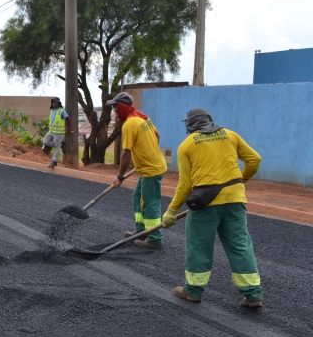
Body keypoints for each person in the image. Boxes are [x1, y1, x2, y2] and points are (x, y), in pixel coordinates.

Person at [162, 108, 263, 308]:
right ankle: (253, 295)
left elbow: (185, 185)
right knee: (240, 246)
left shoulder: (187, 145)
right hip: (235, 200)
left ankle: (193, 291)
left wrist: (171, 211)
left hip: (204, 204)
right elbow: (255, 159)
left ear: (190, 126)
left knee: (199, 246)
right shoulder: (230, 135)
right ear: (210, 121)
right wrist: (241, 180)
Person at [108, 92, 167, 249]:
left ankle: (154, 238)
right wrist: (146, 153)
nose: (114, 111)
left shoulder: (130, 124)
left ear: (121, 107)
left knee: (149, 203)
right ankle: (142, 231)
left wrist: (120, 176)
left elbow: (126, 152)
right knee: (137, 198)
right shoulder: (142, 117)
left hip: (151, 169)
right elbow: (157, 135)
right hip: (148, 166)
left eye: (115, 107)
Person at [41, 97, 73, 168]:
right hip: (51, 131)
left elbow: (68, 119)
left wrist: (69, 129)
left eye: (55, 102)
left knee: (57, 147)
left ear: (58, 103)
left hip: (58, 133)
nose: (54, 103)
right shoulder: (52, 110)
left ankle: (54, 161)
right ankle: (60, 145)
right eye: (53, 102)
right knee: (45, 142)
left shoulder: (61, 111)